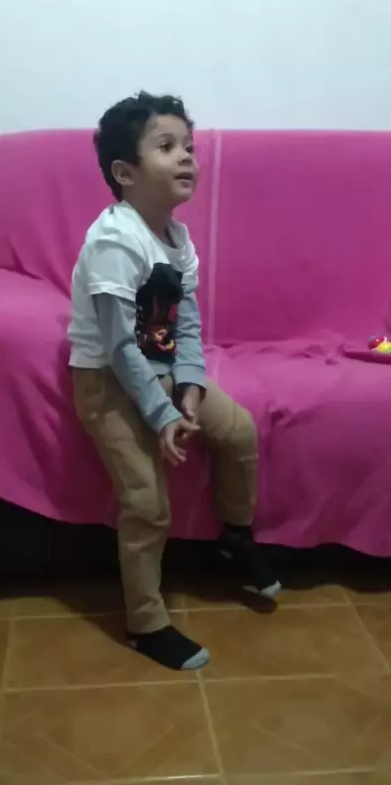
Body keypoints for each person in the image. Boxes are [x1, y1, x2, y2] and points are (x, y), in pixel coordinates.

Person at [69, 91, 281, 670]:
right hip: (108, 382)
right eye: (167, 147)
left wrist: (188, 385)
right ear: (125, 173)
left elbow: (184, 321)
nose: (187, 156)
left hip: (160, 371)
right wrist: (162, 415)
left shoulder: (178, 239)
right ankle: (145, 623)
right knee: (147, 503)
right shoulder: (114, 241)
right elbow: (119, 347)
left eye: (188, 146)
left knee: (238, 430)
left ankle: (235, 537)